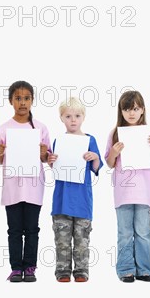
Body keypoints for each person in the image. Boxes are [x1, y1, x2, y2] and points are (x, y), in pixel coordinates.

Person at [105, 90, 150, 283]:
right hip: (123, 193)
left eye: (135, 109)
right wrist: (114, 152)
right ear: (120, 112)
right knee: (125, 233)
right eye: (127, 109)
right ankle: (125, 270)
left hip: (144, 192)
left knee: (143, 232)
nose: (131, 113)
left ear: (142, 110)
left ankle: (144, 269)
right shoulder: (115, 134)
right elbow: (109, 163)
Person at [0, 81, 50, 283]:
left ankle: (30, 267)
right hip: (12, 188)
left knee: (32, 229)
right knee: (14, 230)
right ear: (11, 101)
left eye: (27, 98)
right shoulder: (4, 129)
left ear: (32, 100)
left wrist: (44, 153)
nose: (23, 102)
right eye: (18, 98)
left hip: (34, 187)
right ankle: (16, 268)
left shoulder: (41, 128)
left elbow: (46, 158)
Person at [48, 97, 103, 282]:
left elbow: (96, 167)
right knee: (62, 239)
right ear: (61, 118)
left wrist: (94, 156)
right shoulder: (59, 140)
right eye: (68, 116)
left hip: (82, 201)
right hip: (62, 200)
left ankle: (81, 270)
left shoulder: (90, 140)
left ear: (83, 117)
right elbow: (54, 167)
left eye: (77, 116)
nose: (73, 120)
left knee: (82, 239)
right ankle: (62, 271)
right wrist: (51, 161)